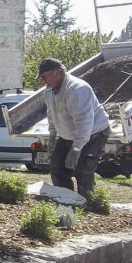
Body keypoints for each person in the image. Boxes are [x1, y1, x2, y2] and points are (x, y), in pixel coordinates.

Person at [38, 57, 111, 197]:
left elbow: (84, 123)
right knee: (57, 168)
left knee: (83, 170)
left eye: (44, 76)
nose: (43, 81)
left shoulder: (77, 90)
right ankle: (68, 202)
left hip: (94, 134)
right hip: (68, 135)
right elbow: (51, 114)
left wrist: (76, 149)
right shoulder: (48, 91)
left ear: (57, 73)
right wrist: (52, 137)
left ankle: (90, 203)